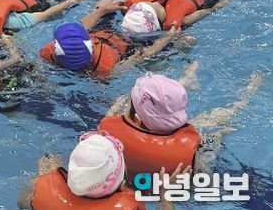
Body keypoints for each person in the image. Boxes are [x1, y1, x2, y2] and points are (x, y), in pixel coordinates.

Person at [100, 69, 263, 181]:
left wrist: (110, 116)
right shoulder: (191, 154)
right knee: (216, 131)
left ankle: (188, 80)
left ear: (136, 118)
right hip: (197, 161)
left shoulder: (106, 134)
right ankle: (243, 101)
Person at [17, 131, 185, 210]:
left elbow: (22, 204)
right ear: (121, 182)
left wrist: (42, 178)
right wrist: (165, 195)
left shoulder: (41, 191)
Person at [39, 0, 181, 77]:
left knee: (104, 2)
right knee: (180, 38)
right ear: (90, 44)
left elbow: (81, 26)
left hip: (103, 33)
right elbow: (143, 55)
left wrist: (103, 10)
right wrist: (169, 37)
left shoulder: (52, 52)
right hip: (128, 44)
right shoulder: (106, 68)